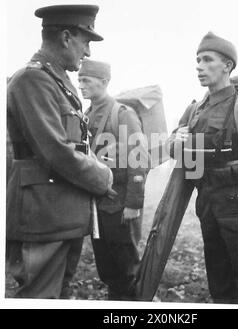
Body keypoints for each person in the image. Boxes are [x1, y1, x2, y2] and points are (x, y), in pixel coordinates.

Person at [6, 5, 116, 299]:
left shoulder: (57, 82)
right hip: (41, 217)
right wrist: (102, 177)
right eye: (86, 42)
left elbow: (79, 143)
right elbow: (55, 150)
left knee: (57, 297)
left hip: (61, 216)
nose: (89, 52)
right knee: (40, 297)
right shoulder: (32, 80)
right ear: (67, 37)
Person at [168, 32, 238, 304]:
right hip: (208, 208)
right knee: (219, 284)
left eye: (207, 60)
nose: (199, 66)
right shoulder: (195, 110)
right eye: (197, 60)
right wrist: (175, 141)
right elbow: (174, 145)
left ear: (227, 66)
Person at [78, 59, 149, 300]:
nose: (81, 85)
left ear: (104, 82)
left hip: (120, 205)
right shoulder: (85, 115)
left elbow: (139, 158)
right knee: (107, 268)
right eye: (79, 80)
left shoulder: (122, 114)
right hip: (97, 205)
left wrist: (133, 203)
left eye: (86, 80)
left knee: (126, 269)